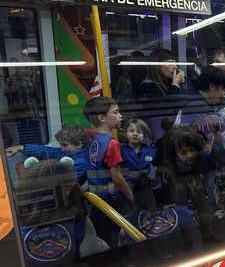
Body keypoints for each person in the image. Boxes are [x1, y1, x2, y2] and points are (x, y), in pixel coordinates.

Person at [83, 96, 133, 248]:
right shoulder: (112, 144)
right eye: (116, 112)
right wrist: (131, 197)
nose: (120, 116)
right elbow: (116, 177)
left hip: (96, 200)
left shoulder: (94, 142)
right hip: (111, 200)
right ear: (102, 118)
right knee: (113, 240)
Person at [6, 124, 91, 184]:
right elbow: (48, 151)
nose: (62, 149)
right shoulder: (71, 153)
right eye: (61, 145)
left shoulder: (82, 162)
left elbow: (60, 180)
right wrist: (22, 147)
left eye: (65, 145)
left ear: (79, 144)